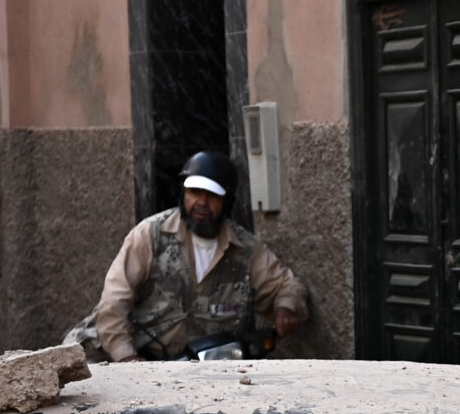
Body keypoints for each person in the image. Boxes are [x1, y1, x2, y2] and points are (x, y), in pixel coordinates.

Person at [83, 150, 308, 362]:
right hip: (111, 355)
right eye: (194, 193)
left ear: (227, 201)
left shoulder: (245, 249)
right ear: (183, 195)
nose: (201, 202)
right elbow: (114, 301)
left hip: (186, 366)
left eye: (212, 196)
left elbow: (287, 285)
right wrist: (127, 358)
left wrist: (286, 307)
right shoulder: (150, 234)